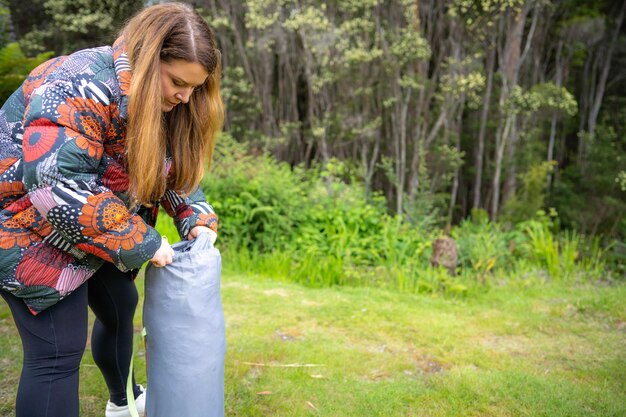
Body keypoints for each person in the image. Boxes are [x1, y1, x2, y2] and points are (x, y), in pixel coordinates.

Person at [0, 2, 223, 416]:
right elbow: (56, 183)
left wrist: (194, 215)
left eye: (195, 87)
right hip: (23, 223)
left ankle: (122, 401)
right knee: (56, 350)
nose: (185, 95)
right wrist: (142, 240)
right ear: (147, 54)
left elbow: (168, 166)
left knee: (120, 307)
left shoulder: (164, 101)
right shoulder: (76, 81)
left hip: (92, 226)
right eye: (177, 81)